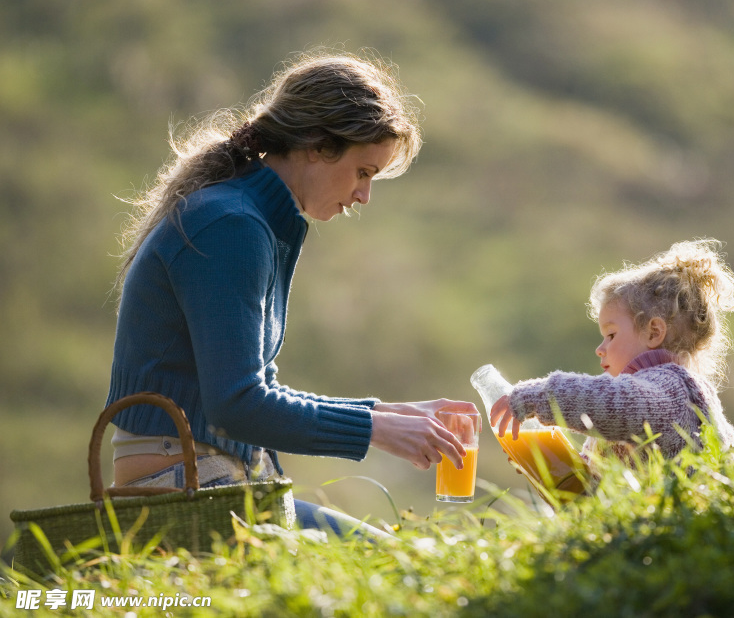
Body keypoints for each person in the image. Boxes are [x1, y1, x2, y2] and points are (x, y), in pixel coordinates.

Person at [106, 49, 476, 537]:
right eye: (363, 172)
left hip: (210, 479)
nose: (365, 196)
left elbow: (256, 393)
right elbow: (237, 406)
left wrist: (387, 414)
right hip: (182, 488)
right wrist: (378, 430)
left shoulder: (246, 219)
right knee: (404, 566)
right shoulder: (231, 226)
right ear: (317, 147)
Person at [489, 239, 734, 473]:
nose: (600, 348)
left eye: (611, 335)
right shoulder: (643, 396)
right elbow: (597, 494)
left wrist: (539, 396)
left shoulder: (672, 389)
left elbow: (613, 402)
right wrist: (555, 472)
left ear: (654, 332)